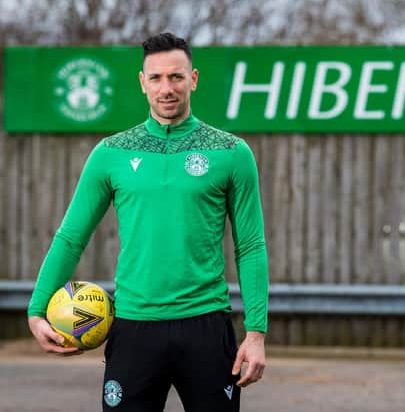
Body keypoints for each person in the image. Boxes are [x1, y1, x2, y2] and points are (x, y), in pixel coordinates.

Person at [27, 32, 269, 412]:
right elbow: (71, 237)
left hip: (206, 326)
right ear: (142, 83)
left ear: (193, 79)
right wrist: (36, 310)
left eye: (176, 77)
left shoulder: (231, 153)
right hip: (133, 326)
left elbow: (251, 246)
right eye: (155, 78)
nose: (166, 88)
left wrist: (256, 332)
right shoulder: (111, 153)